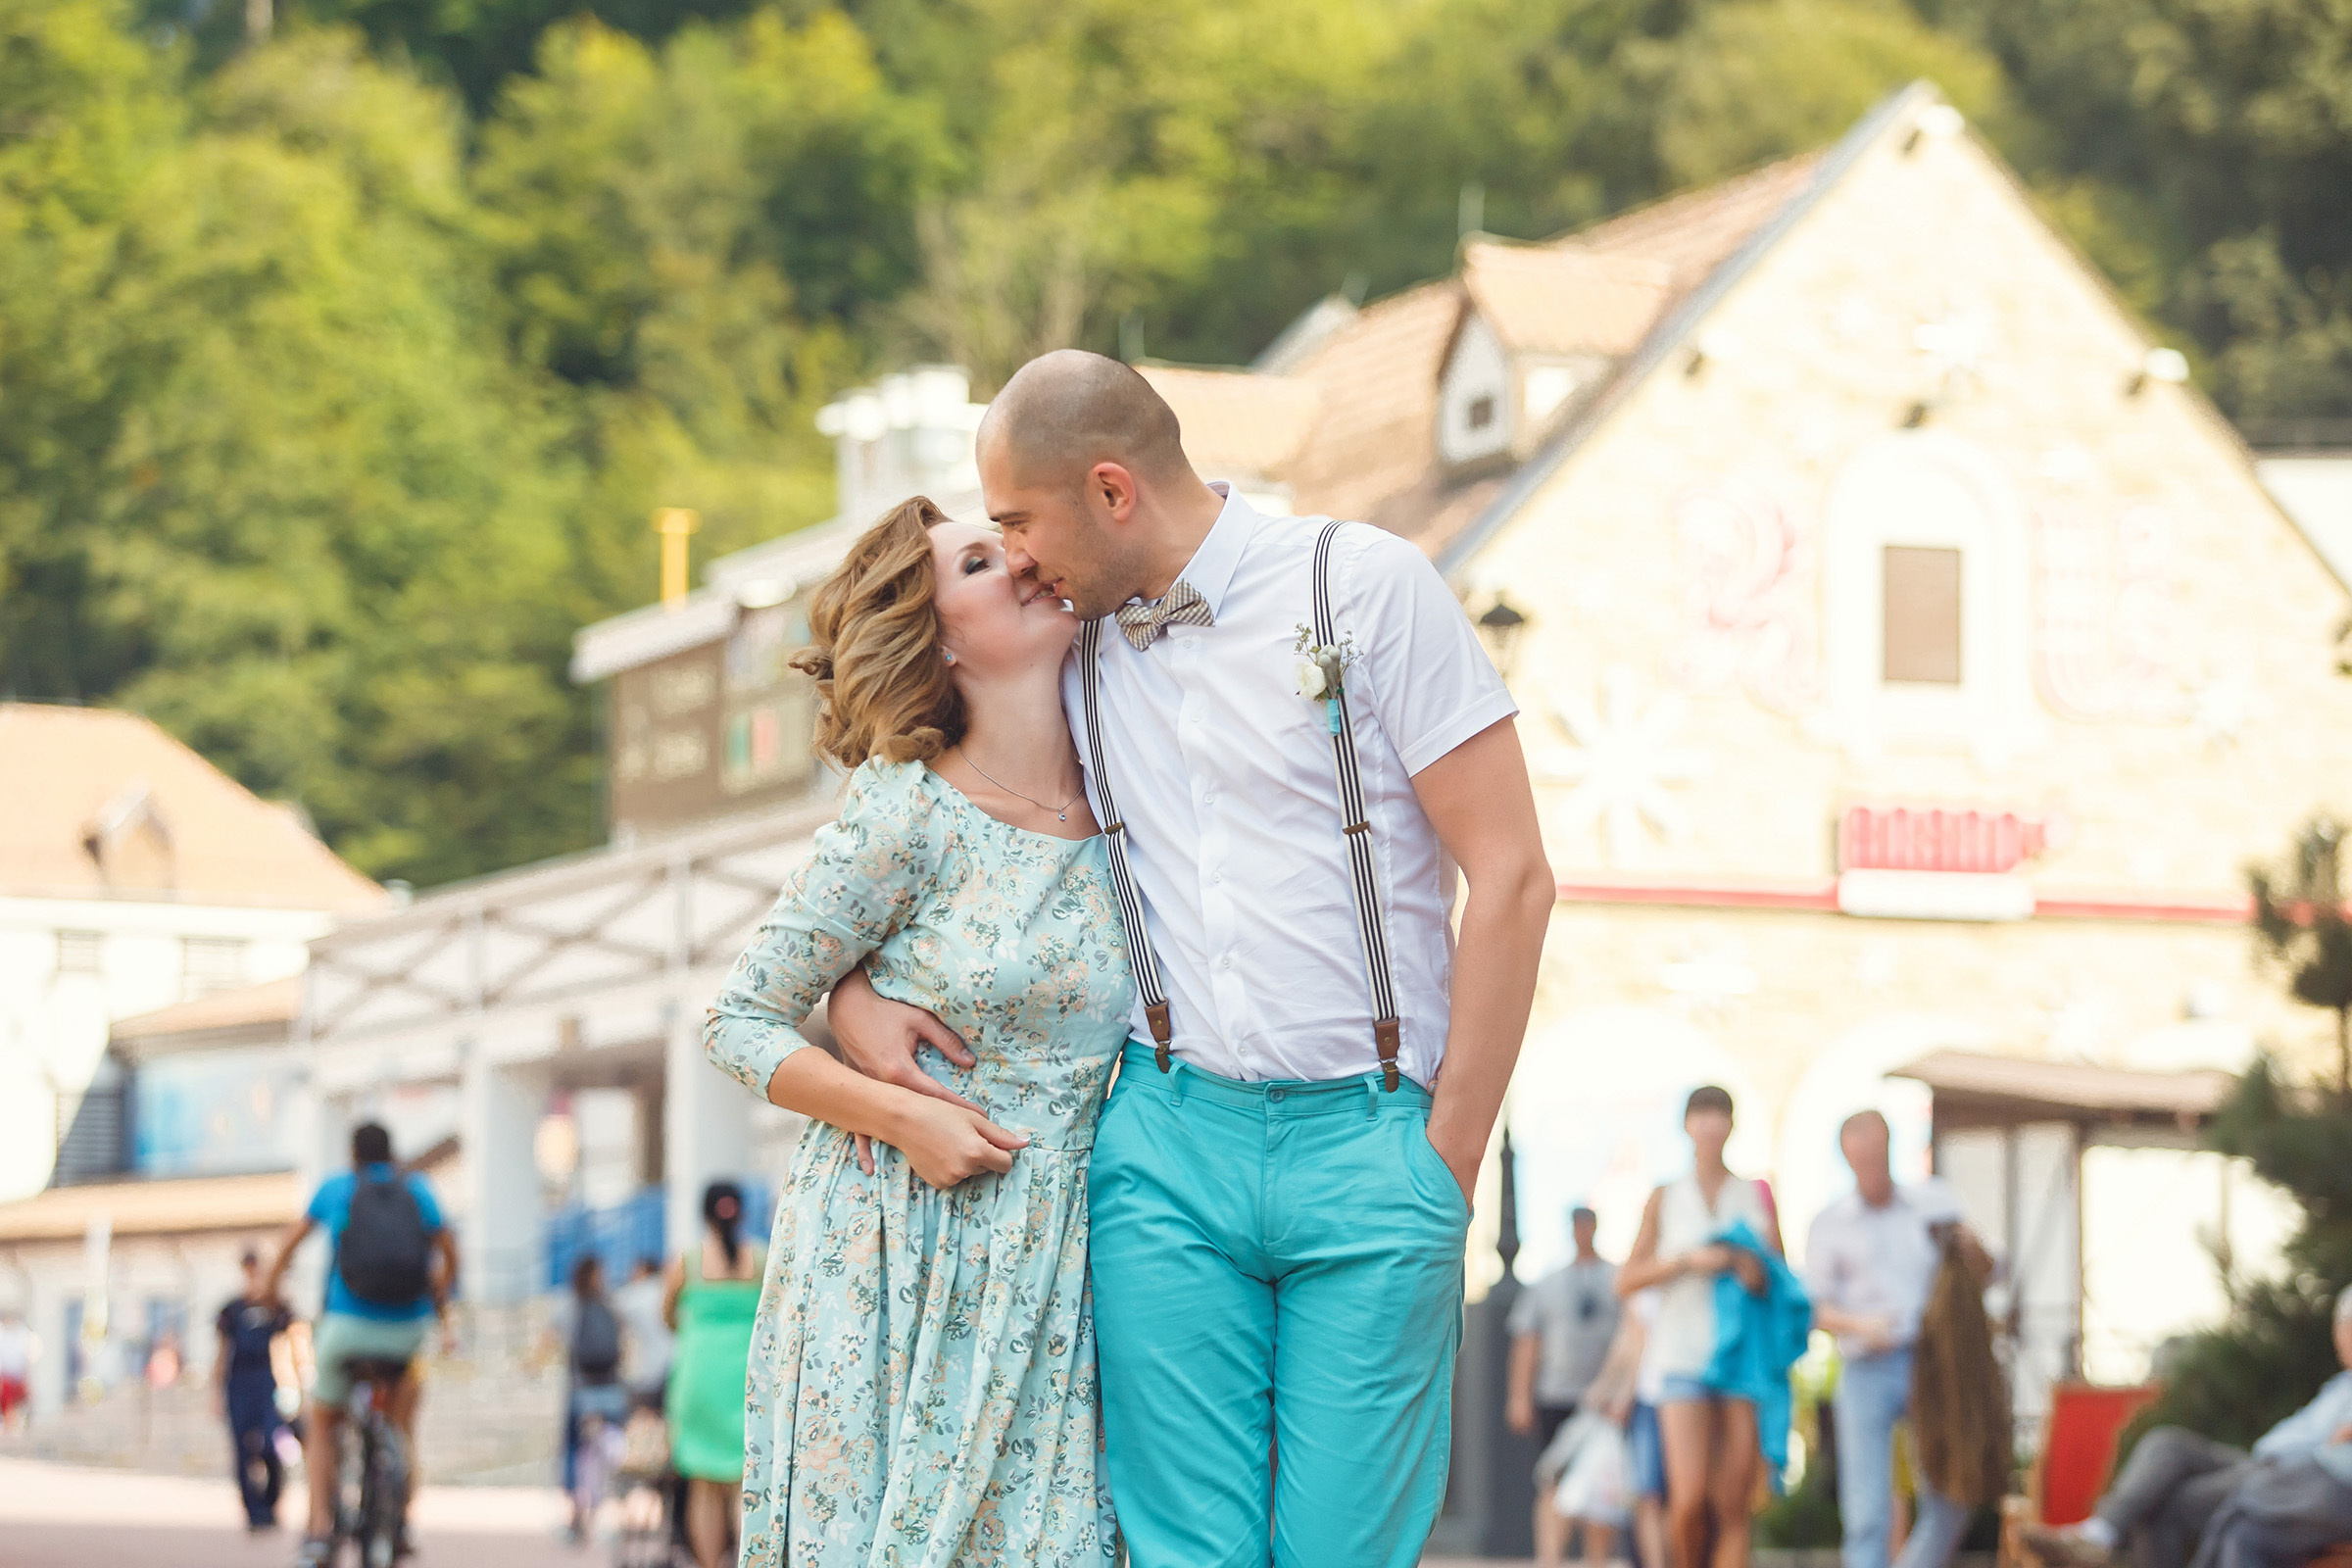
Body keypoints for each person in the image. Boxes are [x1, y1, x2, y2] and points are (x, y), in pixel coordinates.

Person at [823, 348, 1552, 1568]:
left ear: (1111, 491)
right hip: (1166, 1148)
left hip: (1375, 1141)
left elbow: (1514, 873)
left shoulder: (1363, 586)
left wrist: (1448, 1157)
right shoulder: (1065, 647)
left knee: (1340, 1552)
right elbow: (912, 829)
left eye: (1019, 521)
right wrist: (850, 996)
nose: (1016, 558)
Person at [2026, 1283, 2352, 1568]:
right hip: (2259, 1462)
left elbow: (2336, 1450)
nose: (2340, 1338)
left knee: (2163, 1503)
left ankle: (2100, 1537)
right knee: (2167, 1443)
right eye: (2341, 1329)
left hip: (2293, 1477)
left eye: (2344, 1329)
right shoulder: (2338, 1386)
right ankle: (2099, 1531)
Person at [264, 1121, 459, 1568]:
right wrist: (439, 1291)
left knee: (322, 1420)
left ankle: (318, 1530)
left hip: (346, 1328)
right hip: (408, 1329)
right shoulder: (418, 1190)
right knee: (403, 1422)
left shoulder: (337, 1188)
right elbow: (450, 1250)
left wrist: (271, 1289)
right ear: (392, 1153)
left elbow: (290, 1243)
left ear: (353, 1155)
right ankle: (402, 1519)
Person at [1807, 1110, 1992, 1568]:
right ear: (1847, 1159)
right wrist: (1861, 1325)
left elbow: (1987, 1273)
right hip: (1866, 1366)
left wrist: (1973, 1249)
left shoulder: (1935, 1202)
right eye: (1861, 1160)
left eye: (1877, 1156)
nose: (1871, 1169)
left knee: (1953, 1489)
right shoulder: (1830, 1223)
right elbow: (1814, 1309)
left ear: (1890, 1148)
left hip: (1934, 1364)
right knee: (1866, 1511)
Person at [1618, 1085, 1786, 1568]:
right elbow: (1627, 1279)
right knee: (1688, 1499)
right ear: (1687, 1125)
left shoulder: (1755, 1193)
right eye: (1702, 1115)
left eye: (1719, 1115)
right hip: (1681, 1357)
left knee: (1734, 1502)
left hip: (1741, 1361)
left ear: (1731, 1125)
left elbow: (1781, 1276)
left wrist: (1750, 1267)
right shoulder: (1665, 1195)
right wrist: (1688, 1261)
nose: (1711, 1125)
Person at [1513, 1206, 1624, 1559]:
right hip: (1556, 1395)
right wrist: (1519, 1397)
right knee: (1552, 1479)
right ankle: (1549, 1560)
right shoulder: (1548, 1282)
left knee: (1600, 1488)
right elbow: (1528, 1340)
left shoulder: (1616, 1278)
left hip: (1603, 1401)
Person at [662, 1182, 761, 1568]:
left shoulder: (687, 1262)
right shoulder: (761, 1259)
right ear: (743, 1212)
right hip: (748, 1380)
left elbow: (667, 1315)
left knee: (703, 1484)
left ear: (704, 1215)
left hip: (699, 1378)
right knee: (743, 1484)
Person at [551, 1254, 631, 1543]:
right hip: (611, 1391)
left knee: (577, 1453)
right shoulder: (612, 1305)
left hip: (582, 1392)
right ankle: (607, 1515)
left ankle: (577, 1515)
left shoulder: (570, 1306)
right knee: (608, 1452)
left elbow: (550, 1339)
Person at [216, 1250, 294, 1532]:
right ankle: (253, 1511)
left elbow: (291, 1342)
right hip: (238, 1382)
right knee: (242, 1448)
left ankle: (271, 1503)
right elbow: (222, 1352)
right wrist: (216, 1392)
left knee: (272, 1443)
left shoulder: (276, 1308)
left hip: (267, 1381)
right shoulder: (232, 1310)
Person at [610, 1256, 671, 1407]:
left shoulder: (639, 1294)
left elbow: (611, 1303)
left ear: (643, 1272)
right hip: (675, 1364)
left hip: (652, 1372)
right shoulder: (665, 1289)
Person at [0, 1308, 39, 1433]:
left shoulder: (23, 1335)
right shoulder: (2, 1334)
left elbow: (29, 1355)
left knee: (20, 1402)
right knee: (7, 1404)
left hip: (19, 1376)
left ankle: (17, 1426)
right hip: (5, 1377)